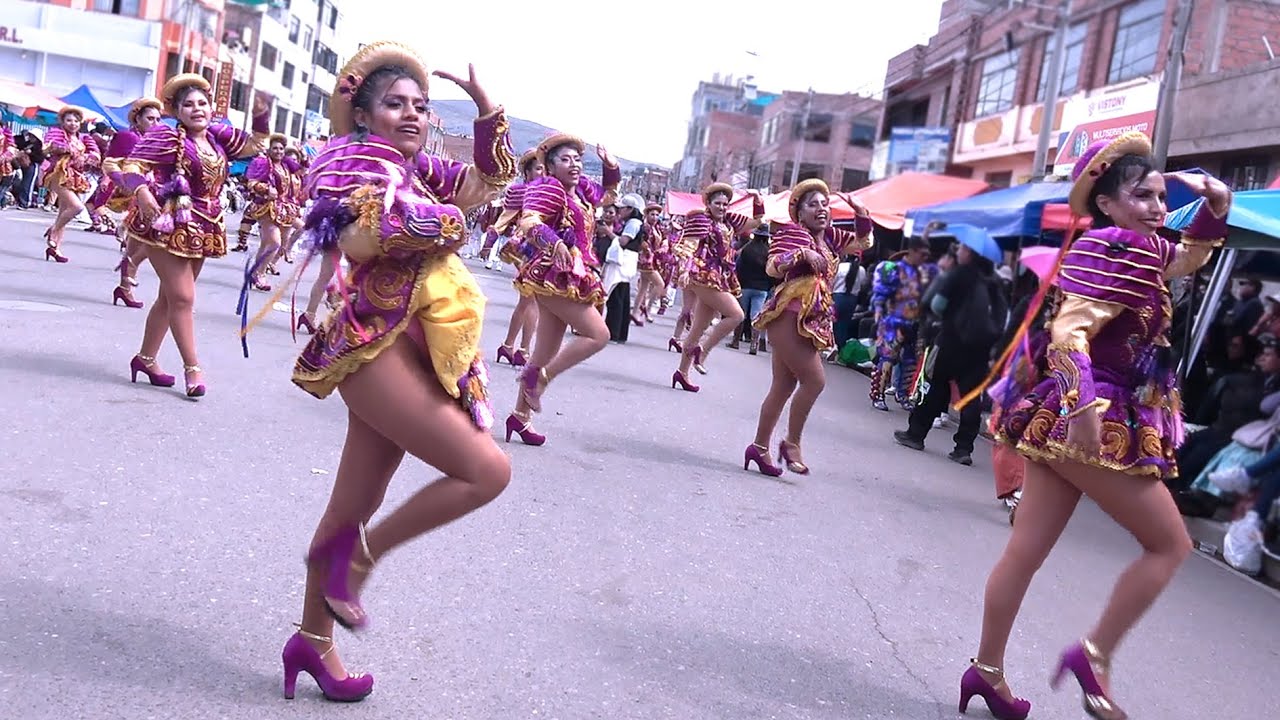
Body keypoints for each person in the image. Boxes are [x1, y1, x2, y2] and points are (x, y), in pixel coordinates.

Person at [956, 132, 1231, 720]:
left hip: (1073, 415)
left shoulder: (1146, 247)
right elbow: (1068, 333)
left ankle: (987, 671)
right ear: (1104, 202)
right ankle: (1094, 655)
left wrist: (1214, 209)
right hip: (1093, 415)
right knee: (1170, 544)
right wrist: (1083, 409)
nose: (1157, 208)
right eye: (1141, 196)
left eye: (1160, 196)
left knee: (1024, 550)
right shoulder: (1111, 247)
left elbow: (1187, 258)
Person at [285, 42, 517, 702]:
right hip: (373, 346)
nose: (412, 114)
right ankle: (358, 559)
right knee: (486, 470)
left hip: (417, 346)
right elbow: (375, 230)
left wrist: (486, 111)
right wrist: (445, 219)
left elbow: (491, 183)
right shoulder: (347, 164)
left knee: (352, 505)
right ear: (362, 114)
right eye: (395, 103)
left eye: (420, 105)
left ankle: (311, 643)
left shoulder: (418, 171)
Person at [119, 74, 270, 398]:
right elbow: (131, 166)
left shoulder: (218, 138)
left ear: (212, 107)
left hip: (204, 226)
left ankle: (145, 359)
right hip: (165, 222)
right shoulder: (166, 136)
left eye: (202, 103)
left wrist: (261, 111)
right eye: (188, 104)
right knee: (184, 298)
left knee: (169, 299)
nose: (196, 109)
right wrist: (143, 193)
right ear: (177, 109)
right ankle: (193, 368)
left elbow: (257, 144)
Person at [745, 179, 873, 475]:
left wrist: (861, 213)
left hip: (810, 320)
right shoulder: (792, 233)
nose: (821, 209)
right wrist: (801, 255)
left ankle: (759, 448)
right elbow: (772, 267)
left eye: (825, 204)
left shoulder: (830, 238)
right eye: (813, 204)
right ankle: (791, 443)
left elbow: (862, 243)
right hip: (786, 316)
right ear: (799, 213)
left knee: (783, 385)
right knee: (815, 381)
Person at [505, 134, 621, 444]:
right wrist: (553, 240)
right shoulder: (548, 187)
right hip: (553, 273)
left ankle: (519, 417)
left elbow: (606, 196)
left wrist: (610, 165)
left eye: (578, 160)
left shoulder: (581, 190)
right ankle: (540, 379)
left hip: (572, 272)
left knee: (546, 349)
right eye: (566, 160)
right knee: (599, 335)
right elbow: (529, 221)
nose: (574, 165)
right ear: (550, 166)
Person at [894, 225, 1006, 466]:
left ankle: (915, 434)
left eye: (964, 247)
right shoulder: (995, 281)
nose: (960, 251)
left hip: (951, 340)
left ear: (972, 253)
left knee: (935, 387)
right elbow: (1001, 316)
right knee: (970, 397)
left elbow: (937, 305)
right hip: (980, 347)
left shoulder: (959, 274)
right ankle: (963, 448)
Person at [669, 182, 764, 392]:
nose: (722, 207)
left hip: (721, 276)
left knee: (697, 329)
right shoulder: (701, 219)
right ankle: (702, 351)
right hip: (703, 274)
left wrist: (757, 199)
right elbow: (688, 246)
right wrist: (684, 270)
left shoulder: (730, 221)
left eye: (725, 204)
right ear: (708, 204)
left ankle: (682, 373)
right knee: (736, 315)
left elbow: (757, 222)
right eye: (718, 203)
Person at [92, 97, 165, 308]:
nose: (155, 123)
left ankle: (124, 288)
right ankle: (129, 283)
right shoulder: (127, 137)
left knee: (137, 247)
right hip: (138, 197)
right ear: (138, 119)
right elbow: (110, 164)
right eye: (150, 118)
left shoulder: (159, 142)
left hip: (155, 197)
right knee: (154, 243)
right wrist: (123, 182)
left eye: (158, 119)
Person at [869, 235, 935, 411]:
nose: (924, 258)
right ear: (912, 251)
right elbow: (880, 294)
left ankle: (903, 395)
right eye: (922, 254)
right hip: (893, 321)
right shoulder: (892, 269)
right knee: (887, 358)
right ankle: (878, 395)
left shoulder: (924, 274)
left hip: (916, 322)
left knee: (912, 360)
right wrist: (878, 313)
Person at [493, 150, 544, 367]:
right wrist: (492, 236)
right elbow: (506, 218)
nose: (542, 172)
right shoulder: (523, 191)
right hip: (529, 249)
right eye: (538, 168)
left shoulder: (554, 191)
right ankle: (522, 349)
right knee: (532, 300)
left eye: (544, 168)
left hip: (546, 248)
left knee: (527, 301)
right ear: (528, 171)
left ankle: (509, 345)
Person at [243, 134, 302, 291]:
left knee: (266, 244)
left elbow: (303, 171)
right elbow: (251, 182)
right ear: (269, 149)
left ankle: (256, 271)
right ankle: (261, 274)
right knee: (275, 242)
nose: (278, 151)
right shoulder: (262, 162)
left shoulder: (285, 165)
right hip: (265, 207)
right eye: (275, 148)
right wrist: (266, 189)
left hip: (284, 208)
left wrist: (301, 153)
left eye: (281, 148)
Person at [41, 107, 101, 262]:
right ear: (62, 122)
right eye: (69, 120)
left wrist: (85, 157)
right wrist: (69, 149)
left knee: (64, 212)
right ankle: (53, 231)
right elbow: (48, 147)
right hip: (58, 174)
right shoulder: (57, 133)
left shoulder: (85, 138)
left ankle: (55, 249)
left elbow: (96, 155)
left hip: (75, 176)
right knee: (76, 207)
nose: (73, 124)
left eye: (76, 121)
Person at [603, 193, 645, 343]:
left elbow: (623, 241)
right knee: (622, 296)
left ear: (630, 209)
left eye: (622, 209)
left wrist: (608, 233)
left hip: (624, 260)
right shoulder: (634, 222)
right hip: (627, 261)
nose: (619, 211)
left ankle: (613, 331)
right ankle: (620, 333)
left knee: (616, 297)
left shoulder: (633, 223)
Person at [729, 227, 773, 354]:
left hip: (745, 285)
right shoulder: (769, 252)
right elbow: (771, 272)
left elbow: (738, 267)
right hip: (762, 288)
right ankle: (754, 344)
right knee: (756, 316)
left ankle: (736, 341)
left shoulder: (747, 249)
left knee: (741, 314)